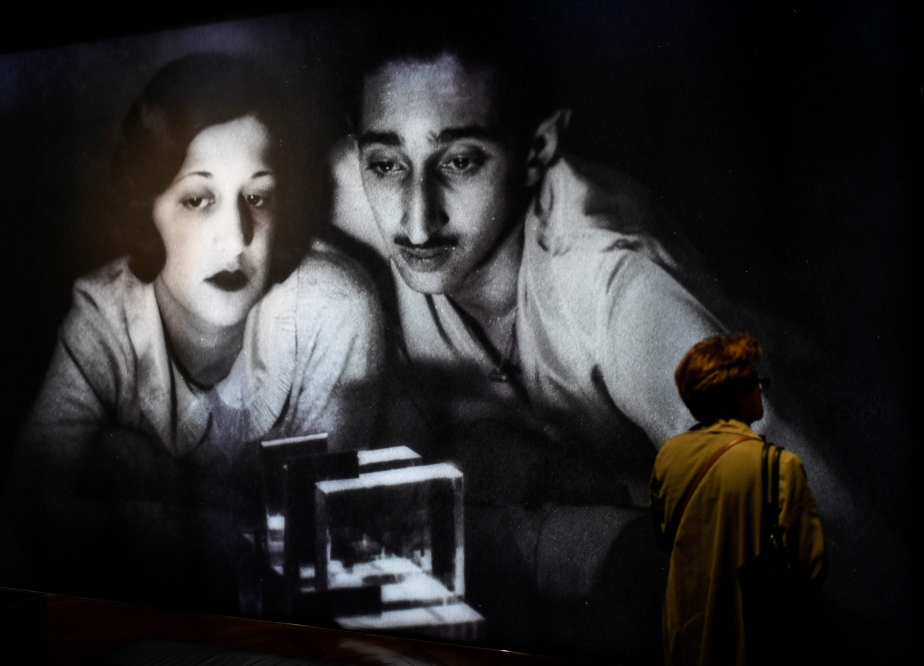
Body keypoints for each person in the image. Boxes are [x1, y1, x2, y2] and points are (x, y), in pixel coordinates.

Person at [328, 20, 880, 660]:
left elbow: (824, 534)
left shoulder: (619, 287)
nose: (416, 219)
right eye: (387, 164)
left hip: (831, 439)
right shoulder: (343, 186)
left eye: (460, 161)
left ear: (537, 148)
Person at [6, 54, 383, 613]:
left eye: (257, 197)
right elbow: (30, 514)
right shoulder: (103, 314)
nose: (235, 237)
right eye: (198, 199)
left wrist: (143, 493)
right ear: (146, 207)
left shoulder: (336, 307)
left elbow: (318, 556)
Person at [650, 334, 826, 666]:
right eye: (755, 383)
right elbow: (811, 564)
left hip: (685, 628)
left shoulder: (668, 457)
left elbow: (662, 534)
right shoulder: (781, 466)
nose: (761, 389)